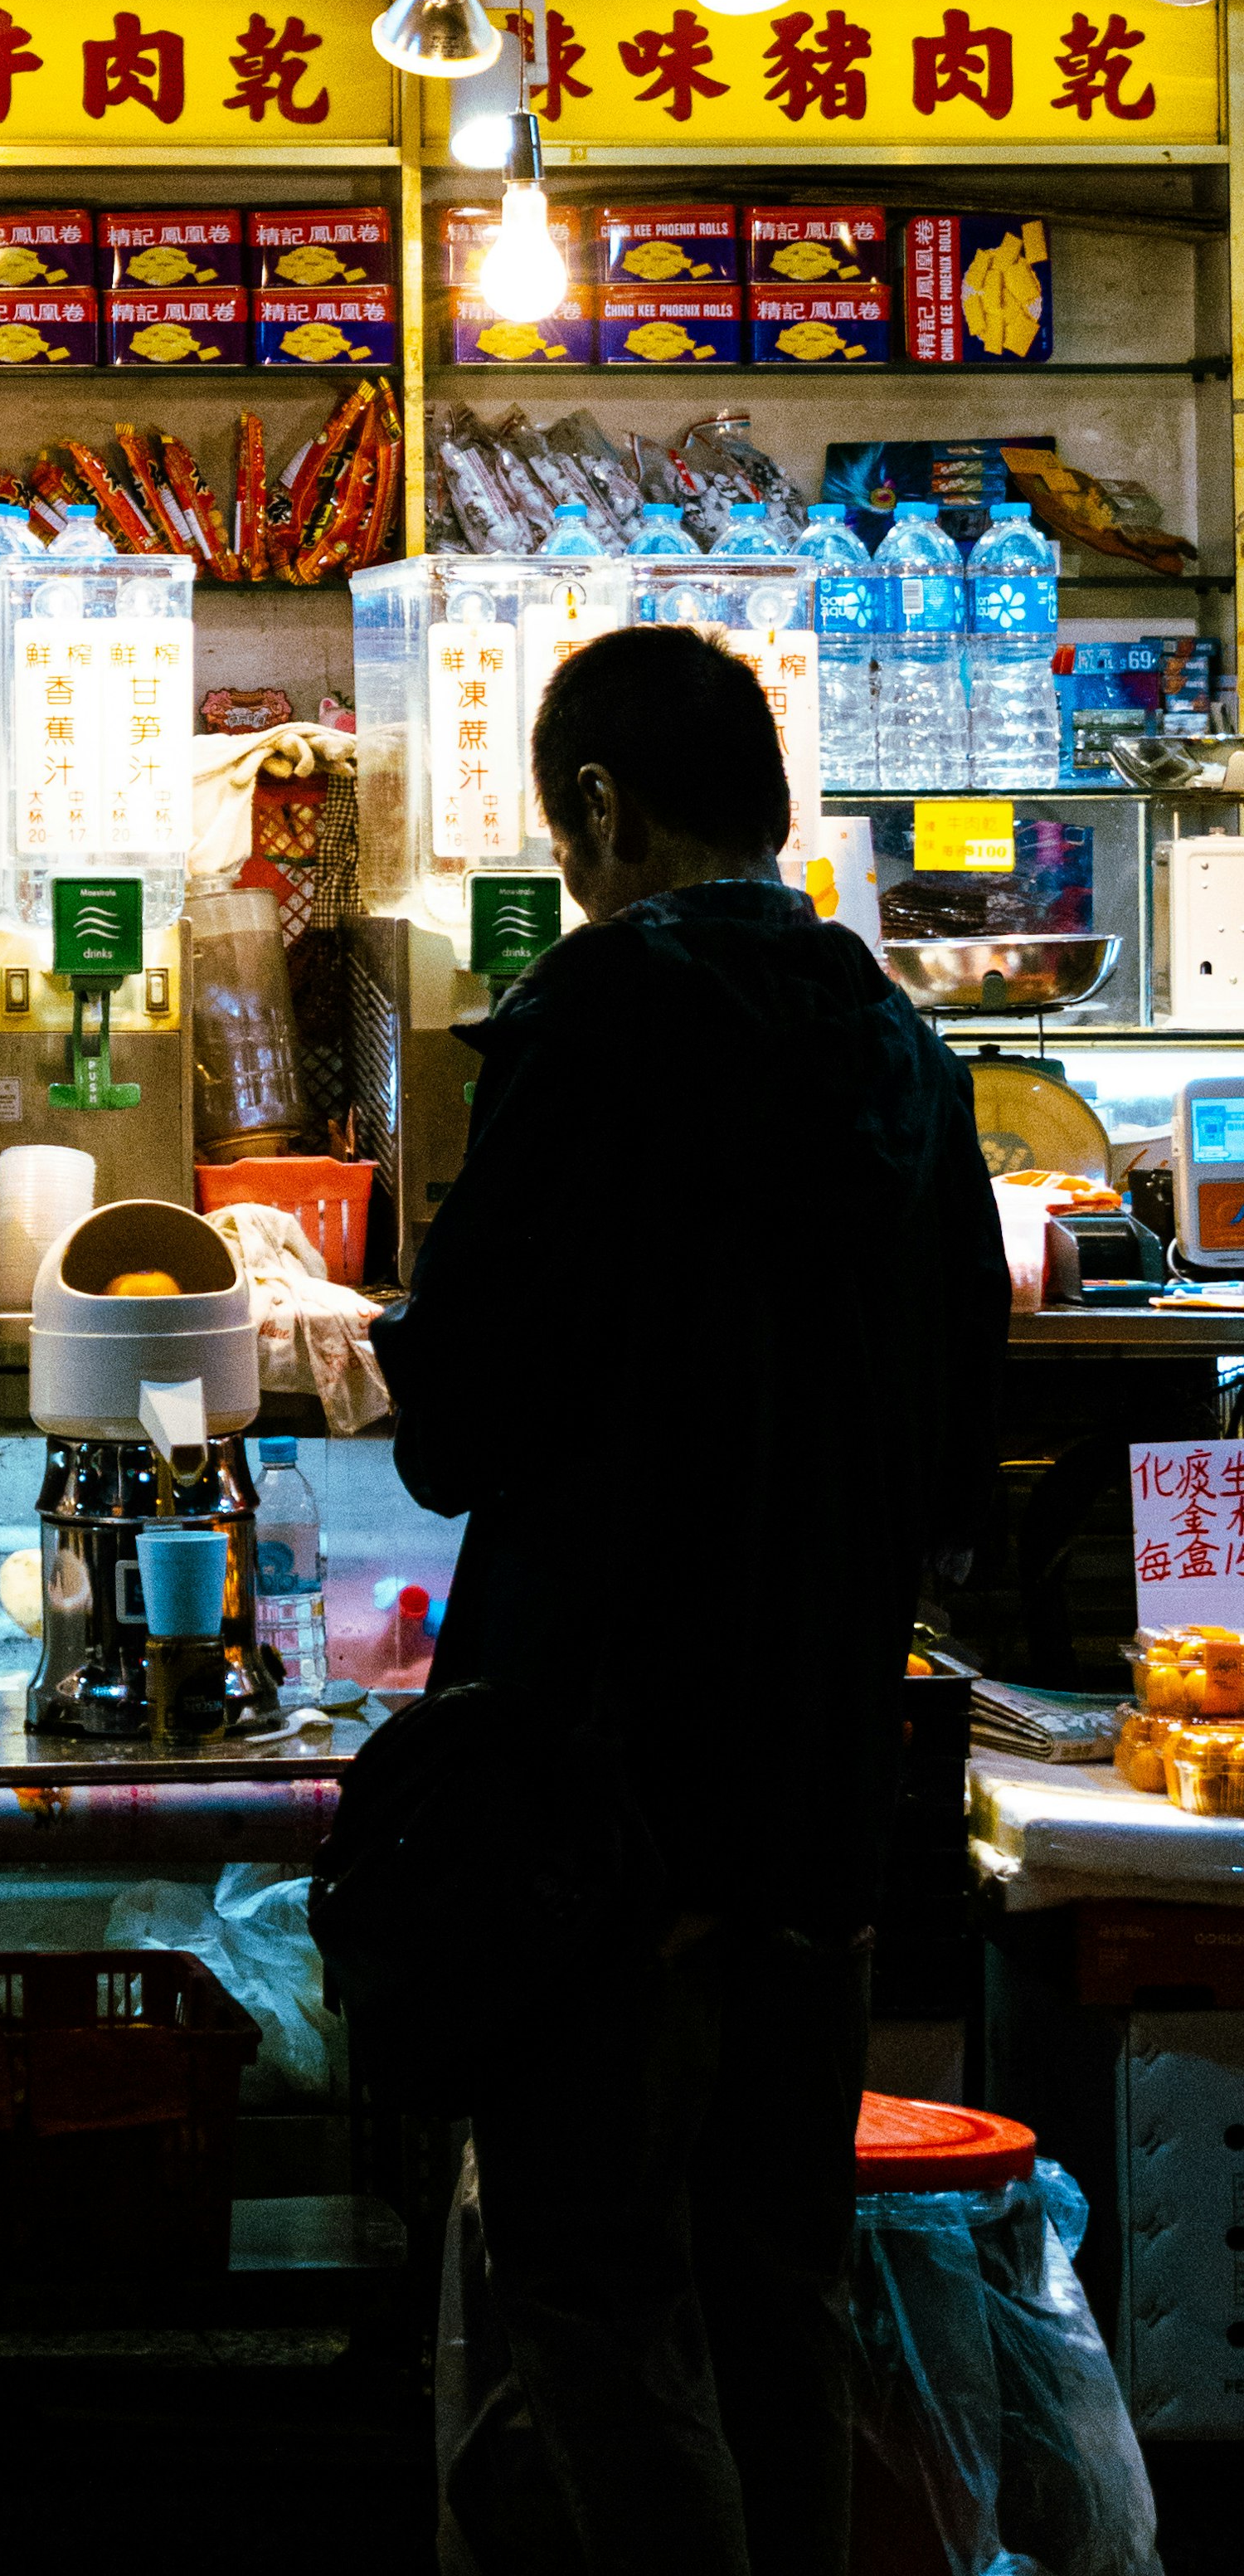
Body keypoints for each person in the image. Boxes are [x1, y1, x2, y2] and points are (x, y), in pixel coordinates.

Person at [375, 618, 1006, 2576]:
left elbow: (456, 1422)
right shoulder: (901, 1046)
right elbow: (954, 1425)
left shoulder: (592, 1020)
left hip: (598, 1799)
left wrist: (394, 1349)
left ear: (595, 805)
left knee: (591, 2287)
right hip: (817, 1793)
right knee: (770, 2294)